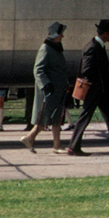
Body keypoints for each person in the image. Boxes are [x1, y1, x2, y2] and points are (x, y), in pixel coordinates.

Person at [66, 20, 109, 157]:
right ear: (105, 33)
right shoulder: (93, 47)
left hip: (100, 90)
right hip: (95, 90)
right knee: (85, 117)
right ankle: (73, 147)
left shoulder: (97, 46)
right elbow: (87, 70)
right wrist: (99, 84)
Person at [25, 22, 69, 153]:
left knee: (56, 117)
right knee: (45, 118)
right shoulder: (46, 48)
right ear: (55, 34)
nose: (63, 36)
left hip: (58, 89)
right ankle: (29, 137)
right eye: (61, 34)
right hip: (50, 90)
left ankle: (57, 144)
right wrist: (46, 85)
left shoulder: (55, 48)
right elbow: (38, 70)